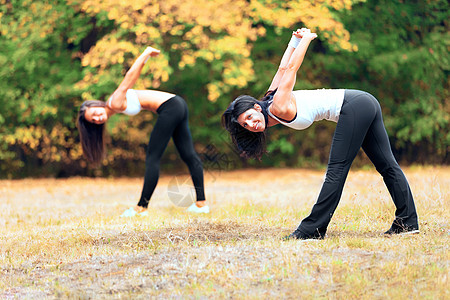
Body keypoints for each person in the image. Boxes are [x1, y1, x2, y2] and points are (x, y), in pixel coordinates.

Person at [222, 28, 418, 239]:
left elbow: (291, 70)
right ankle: (408, 223)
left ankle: (312, 230)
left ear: (256, 108)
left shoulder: (277, 105)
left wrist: (306, 40)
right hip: (363, 101)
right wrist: (293, 40)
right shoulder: (269, 99)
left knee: (337, 170)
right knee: (386, 165)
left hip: (354, 106)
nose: (251, 124)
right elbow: (282, 67)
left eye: (250, 117)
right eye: (245, 125)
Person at [77, 46, 209, 216]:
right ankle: (201, 204)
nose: (98, 118)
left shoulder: (114, 103)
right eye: (93, 121)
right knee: (188, 155)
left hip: (171, 108)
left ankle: (141, 208)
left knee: (152, 157)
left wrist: (146, 54)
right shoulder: (113, 106)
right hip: (177, 104)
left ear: (96, 105)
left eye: (95, 113)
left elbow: (130, 78)